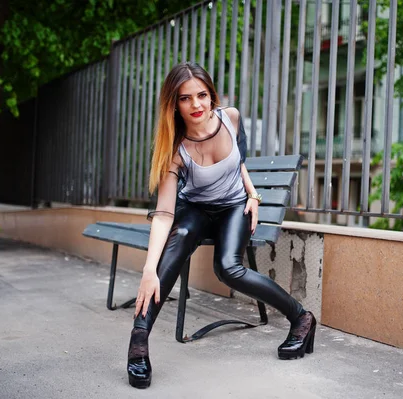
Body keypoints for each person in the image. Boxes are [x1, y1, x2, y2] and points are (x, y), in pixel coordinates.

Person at [126, 62, 316, 389]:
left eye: (202, 95)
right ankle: (139, 340)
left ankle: (302, 317)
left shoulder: (231, 117)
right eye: (186, 99)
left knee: (229, 268)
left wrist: (253, 194)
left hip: (232, 207)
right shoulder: (176, 149)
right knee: (178, 240)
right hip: (195, 209)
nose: (196, 105)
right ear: (174, 103)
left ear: (211, 95)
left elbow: (238, 161)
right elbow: (165, 214)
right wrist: (148, 269)